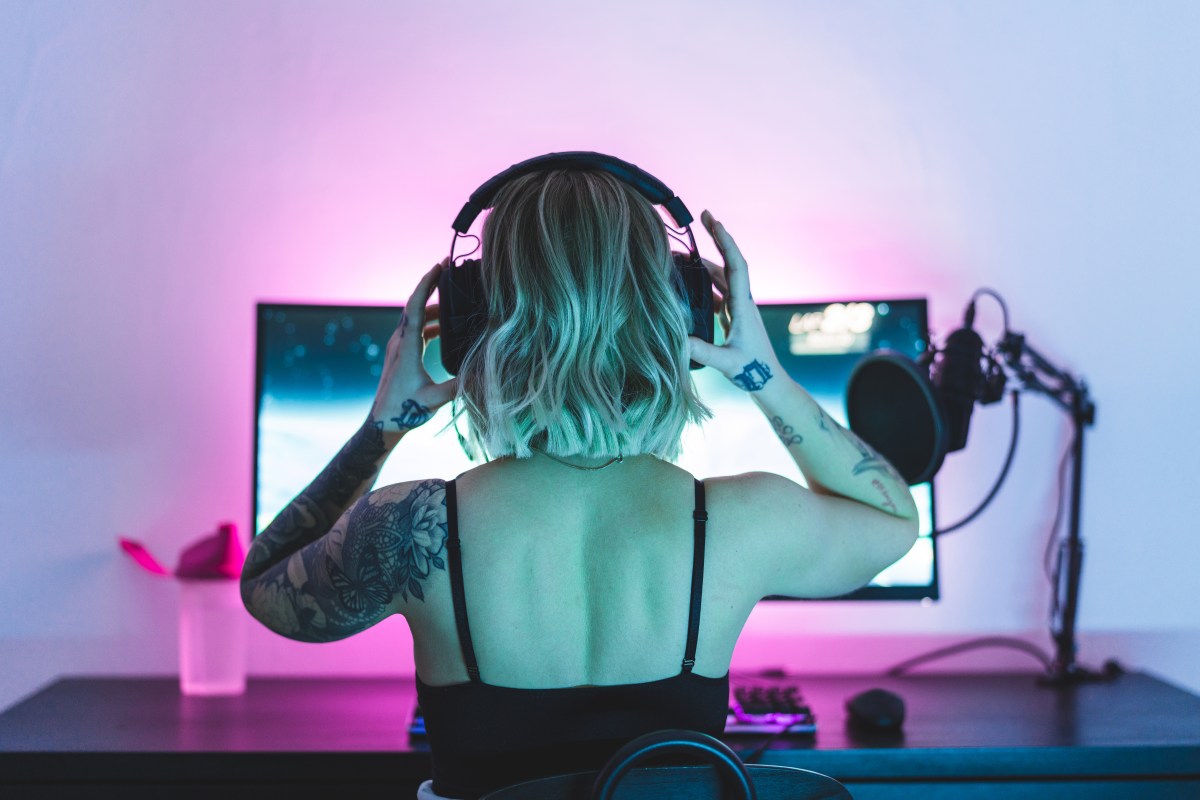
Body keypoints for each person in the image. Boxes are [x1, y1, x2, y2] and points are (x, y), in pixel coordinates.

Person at [240, 167, 919, 800]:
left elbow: (264, 584)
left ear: (475, 320)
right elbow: (892, 520)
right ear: (679, 317)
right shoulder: (742, 520)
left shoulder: (413, 528)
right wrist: (762, 373)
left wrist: (383, 427)